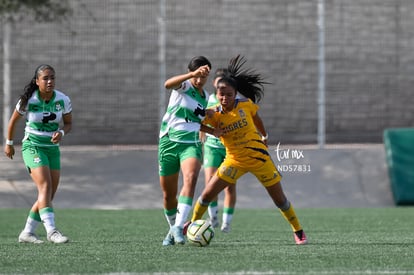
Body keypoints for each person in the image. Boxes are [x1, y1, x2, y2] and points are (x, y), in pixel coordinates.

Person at [191, 55, 308, 245]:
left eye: (229, 94)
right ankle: (192, 224)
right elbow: (194, 123)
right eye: (221, 94)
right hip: (234, 161)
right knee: (206, 196)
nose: (225, 98)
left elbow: (257, 118)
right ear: (216, 94)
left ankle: (298, 231)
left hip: (259, 159)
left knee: (280, 200)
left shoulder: (246, 105)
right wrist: (212, 130)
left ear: (235, 93)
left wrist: (264, 135)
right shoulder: (213, 113)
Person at [4, 64, 72, 244]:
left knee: (48, 194)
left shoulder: (63, 99)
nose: (50, 81)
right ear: (37, 81)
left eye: (53, 78)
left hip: (52, 148)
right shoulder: (28, 100)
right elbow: (12, 123)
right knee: (45, 187)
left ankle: (27, 232)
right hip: (32, 146)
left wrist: (62, 133)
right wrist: (9, 144)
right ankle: (52, 231)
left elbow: (68, 123)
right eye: (46, 78)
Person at [158, 56, 219, 246]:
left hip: (191, 144)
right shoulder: (184, 86)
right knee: (168, 195)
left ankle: (178, 227)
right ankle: (172, 228)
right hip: (168, 142)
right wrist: (191, 75)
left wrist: (212, 130)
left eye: (204, 76)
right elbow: (168, 84)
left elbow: (195, 122)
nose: (200, 80)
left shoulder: (206, 97)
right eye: (198, 76)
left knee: (191, 178)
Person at [202, 68, 237, 233]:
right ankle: (213, 218)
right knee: (210, 183)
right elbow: (203, 118)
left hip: (230, 148)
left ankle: (226, 223)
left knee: (230, 186)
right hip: (212, 147)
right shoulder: (209, 99)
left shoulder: (235, 101)